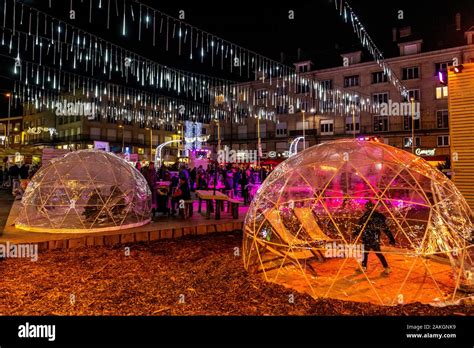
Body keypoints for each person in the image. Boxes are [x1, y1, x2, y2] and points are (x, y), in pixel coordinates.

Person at [353, 201, 396, 276]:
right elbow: (385, 228)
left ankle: (384, 268)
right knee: (370, 253)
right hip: (371, 238)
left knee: (370, 253)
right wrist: (391, 238)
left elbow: (359, 227)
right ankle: (384, 268)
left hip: (369, 237)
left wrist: (355, 233)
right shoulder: (372, 216)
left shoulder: (371, 216)